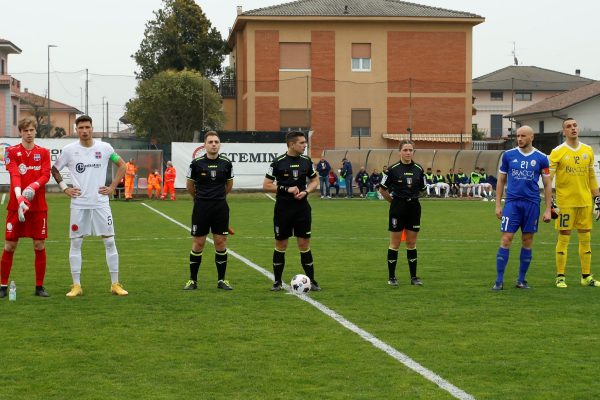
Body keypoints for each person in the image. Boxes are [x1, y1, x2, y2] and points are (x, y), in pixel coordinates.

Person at [51, 115, 129, 297]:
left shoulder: (105, 148)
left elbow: (123, 166)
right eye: (81, 128)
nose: (84, 131)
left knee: (109, 241)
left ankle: (115, 284)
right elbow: (54, 169)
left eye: (87, 127)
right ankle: (76, 285)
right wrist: (64, 188)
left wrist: (112, 187)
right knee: (76, 243)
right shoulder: (70, 150)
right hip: (79, 204)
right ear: (76, 130)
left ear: (92, 128)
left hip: (101, 203)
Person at [492, 126, 552, 290]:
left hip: (532, 204)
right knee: (506, 239)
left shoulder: (541, 158)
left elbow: (547, 184)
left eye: (523, 136)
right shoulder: (508, 155)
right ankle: (498, 280)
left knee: (527, 241)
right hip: (512, 203)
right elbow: (501, 180)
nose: (519, 139)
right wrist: (498, 204)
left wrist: (548, 209)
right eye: (517, 136)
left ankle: (521, 280)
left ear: (531, 137)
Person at [0, 117, 51, 298]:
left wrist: (33, 187)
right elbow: (15, 174)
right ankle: (3, 286)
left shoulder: (44, 152)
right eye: (25, 130)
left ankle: (39, 287)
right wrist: (20, 197)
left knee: (39, 244)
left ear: (36, 131)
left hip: (38, 208)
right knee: (10, 245)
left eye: (32, 130)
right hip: (16, 206)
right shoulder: (11, 152)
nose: (29, 134)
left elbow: (46, 175)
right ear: (20, 132)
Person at [263, 131, 320, 291]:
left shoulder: (306, 161)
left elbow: (315, 180)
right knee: (281, 244)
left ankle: (313, 281)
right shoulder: (278, 162)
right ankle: (277, 282)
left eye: (304, 142)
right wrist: (286, 189)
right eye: (301, 143)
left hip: (302, 209)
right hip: (283, 209)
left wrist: (307, 191)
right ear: (292, 144)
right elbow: (266, 185)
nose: (305, 145)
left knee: (304, 244)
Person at [549, 118, 600, 288]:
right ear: (563, 131)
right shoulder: (557, 152)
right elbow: (549, 179)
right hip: (565, 204)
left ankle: (586, 276)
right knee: (564, 239)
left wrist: (597, 199)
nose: (573, 128)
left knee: (586, 239)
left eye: (575, 125)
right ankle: (560, 276)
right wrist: (550, 202)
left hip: (585, 202)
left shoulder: (588, 150)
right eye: (569, 126)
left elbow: (591, 176)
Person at [184, 131, 234, 291]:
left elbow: (229, 185)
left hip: (220, 207)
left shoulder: (226, 163)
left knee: (220, 242)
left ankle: (222, 280)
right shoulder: (196, 163)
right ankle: (192, 281)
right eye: (210, 142)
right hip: (201, 208)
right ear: (204, 145)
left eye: (216, 142)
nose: (214, 144)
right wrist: (199, 199)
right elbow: (190, 186)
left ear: (219, 144)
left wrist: (218, 197)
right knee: (199, 243)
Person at [379, 139, 425, 286]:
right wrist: (394, 202)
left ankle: (414, 277)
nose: (408, 153)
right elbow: (382, 189)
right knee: (395, 243)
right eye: (405, 150)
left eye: (410, 150)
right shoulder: (392, 170)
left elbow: (423, 190)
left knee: (411, 243)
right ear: (400, 151)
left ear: (413, 152)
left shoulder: (419, 169)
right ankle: (392, 277)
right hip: (397, 208)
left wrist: (414, 198)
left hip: (414, 208)